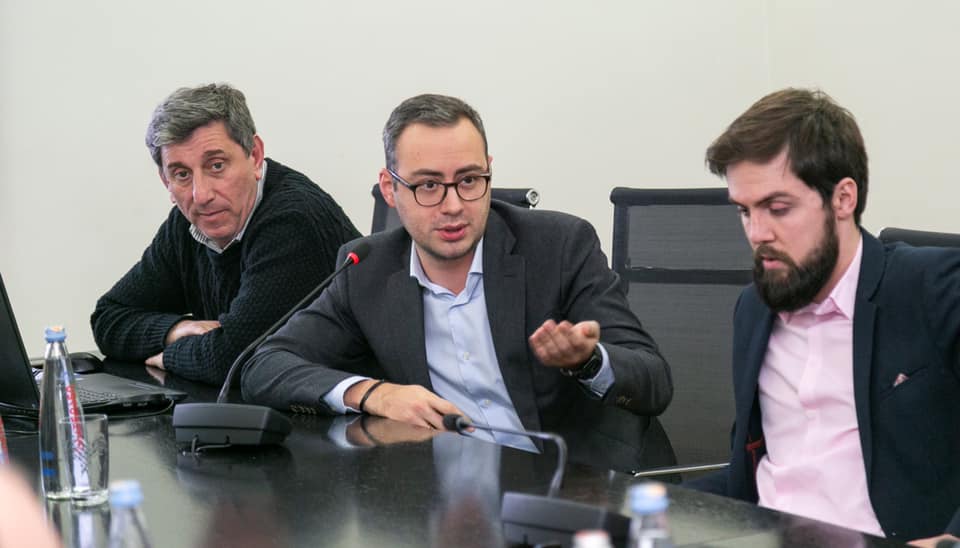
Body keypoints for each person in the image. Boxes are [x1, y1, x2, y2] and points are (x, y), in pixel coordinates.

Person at [242, 93, 673, 470]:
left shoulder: (560, 246)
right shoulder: (367, 269)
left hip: (570, 486)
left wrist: (589, 361)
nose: (453, 206)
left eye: (468, 180)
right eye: (428, 185)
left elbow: (653, 380)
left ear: (489, 173)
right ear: (390, 189)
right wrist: (374, 394)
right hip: (439, 491)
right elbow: (265, 366)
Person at [693, 88, 960, 544]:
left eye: (778, 209)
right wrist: (634, 507)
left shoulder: (932, 288)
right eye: (744, 211)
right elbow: (747, 475)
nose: (757, 233)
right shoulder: (753, 309)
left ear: (843, 198)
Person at [91, 84, 360, 385]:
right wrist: (176, 330)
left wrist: (168, 356)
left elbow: (233, 359)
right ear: (165, 180)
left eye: (216, 166)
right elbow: (108, 318)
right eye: (182, 174)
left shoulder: (294, 220)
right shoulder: (188, 224)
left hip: (343, 408)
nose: (201, 194)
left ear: (255, 156)